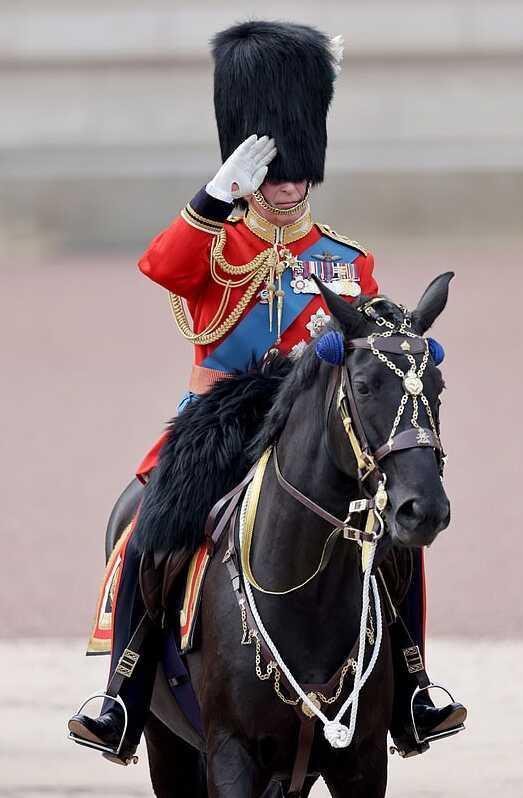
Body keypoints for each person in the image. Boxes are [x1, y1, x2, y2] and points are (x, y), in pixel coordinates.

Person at [68, 20, 466, 766]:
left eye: (297, 172)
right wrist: (216, 195)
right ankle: (123, 693)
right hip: (221, 420)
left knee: (395, 539)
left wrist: (399, 343)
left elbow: (369, 335)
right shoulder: (217, 242)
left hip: (314, 425)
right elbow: (162, 267)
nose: (287, 186)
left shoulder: (345, 259)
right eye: (275, 172)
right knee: (145, 527)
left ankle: (413, 685)